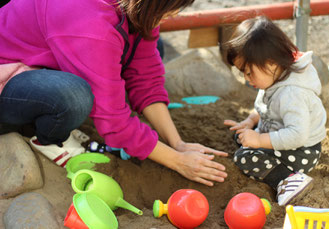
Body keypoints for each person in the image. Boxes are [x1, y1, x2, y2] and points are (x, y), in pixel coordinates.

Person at [0, 0, 228, 186]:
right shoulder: (89, 22)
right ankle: (49, 140)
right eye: (167, 12)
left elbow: (145, 76)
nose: (171, 17)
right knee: (75, 97)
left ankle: (53, 116)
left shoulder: (138, 8)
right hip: (6, 76)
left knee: (150, 46)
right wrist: (178, 161)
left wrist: (177, 143)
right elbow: (114, 123)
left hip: (37, 62)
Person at [223, 16, 326, 205]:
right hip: (279, 136)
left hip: (301, 151)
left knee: (244, 158)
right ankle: (260, 147)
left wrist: (259, 140)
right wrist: (250, 122)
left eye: (248, 72)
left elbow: (297, 135)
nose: (246, 79)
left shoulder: (292, 93)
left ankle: (287, 179)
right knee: (239, 136)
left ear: (270, 63)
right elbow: (266, 109)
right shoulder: (274, 78)